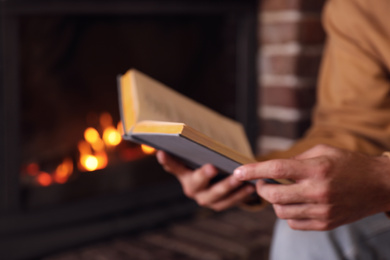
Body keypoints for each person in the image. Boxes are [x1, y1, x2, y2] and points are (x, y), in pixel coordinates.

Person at [157, 0, 390, 259]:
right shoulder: (359, 6)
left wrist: (383, 180)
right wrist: (246, 171)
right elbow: (353, 127)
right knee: (306, 229)